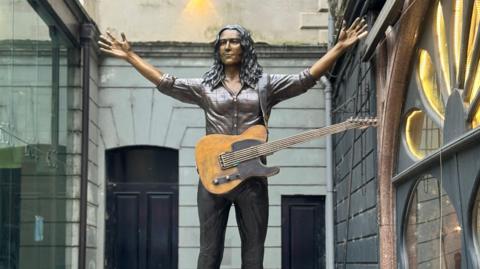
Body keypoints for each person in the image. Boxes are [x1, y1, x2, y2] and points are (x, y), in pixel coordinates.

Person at [98, 18, 367, 269]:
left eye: (234, 41)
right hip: (213, 179)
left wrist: (339, 48)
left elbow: (304, 79)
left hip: (252, 181)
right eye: (222, 42)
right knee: (209, 253)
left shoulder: (265, 86)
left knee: (253, 253)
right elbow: (167, 83)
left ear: (245, 46)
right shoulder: (205, 87)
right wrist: (131, 56)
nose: (227, 46)